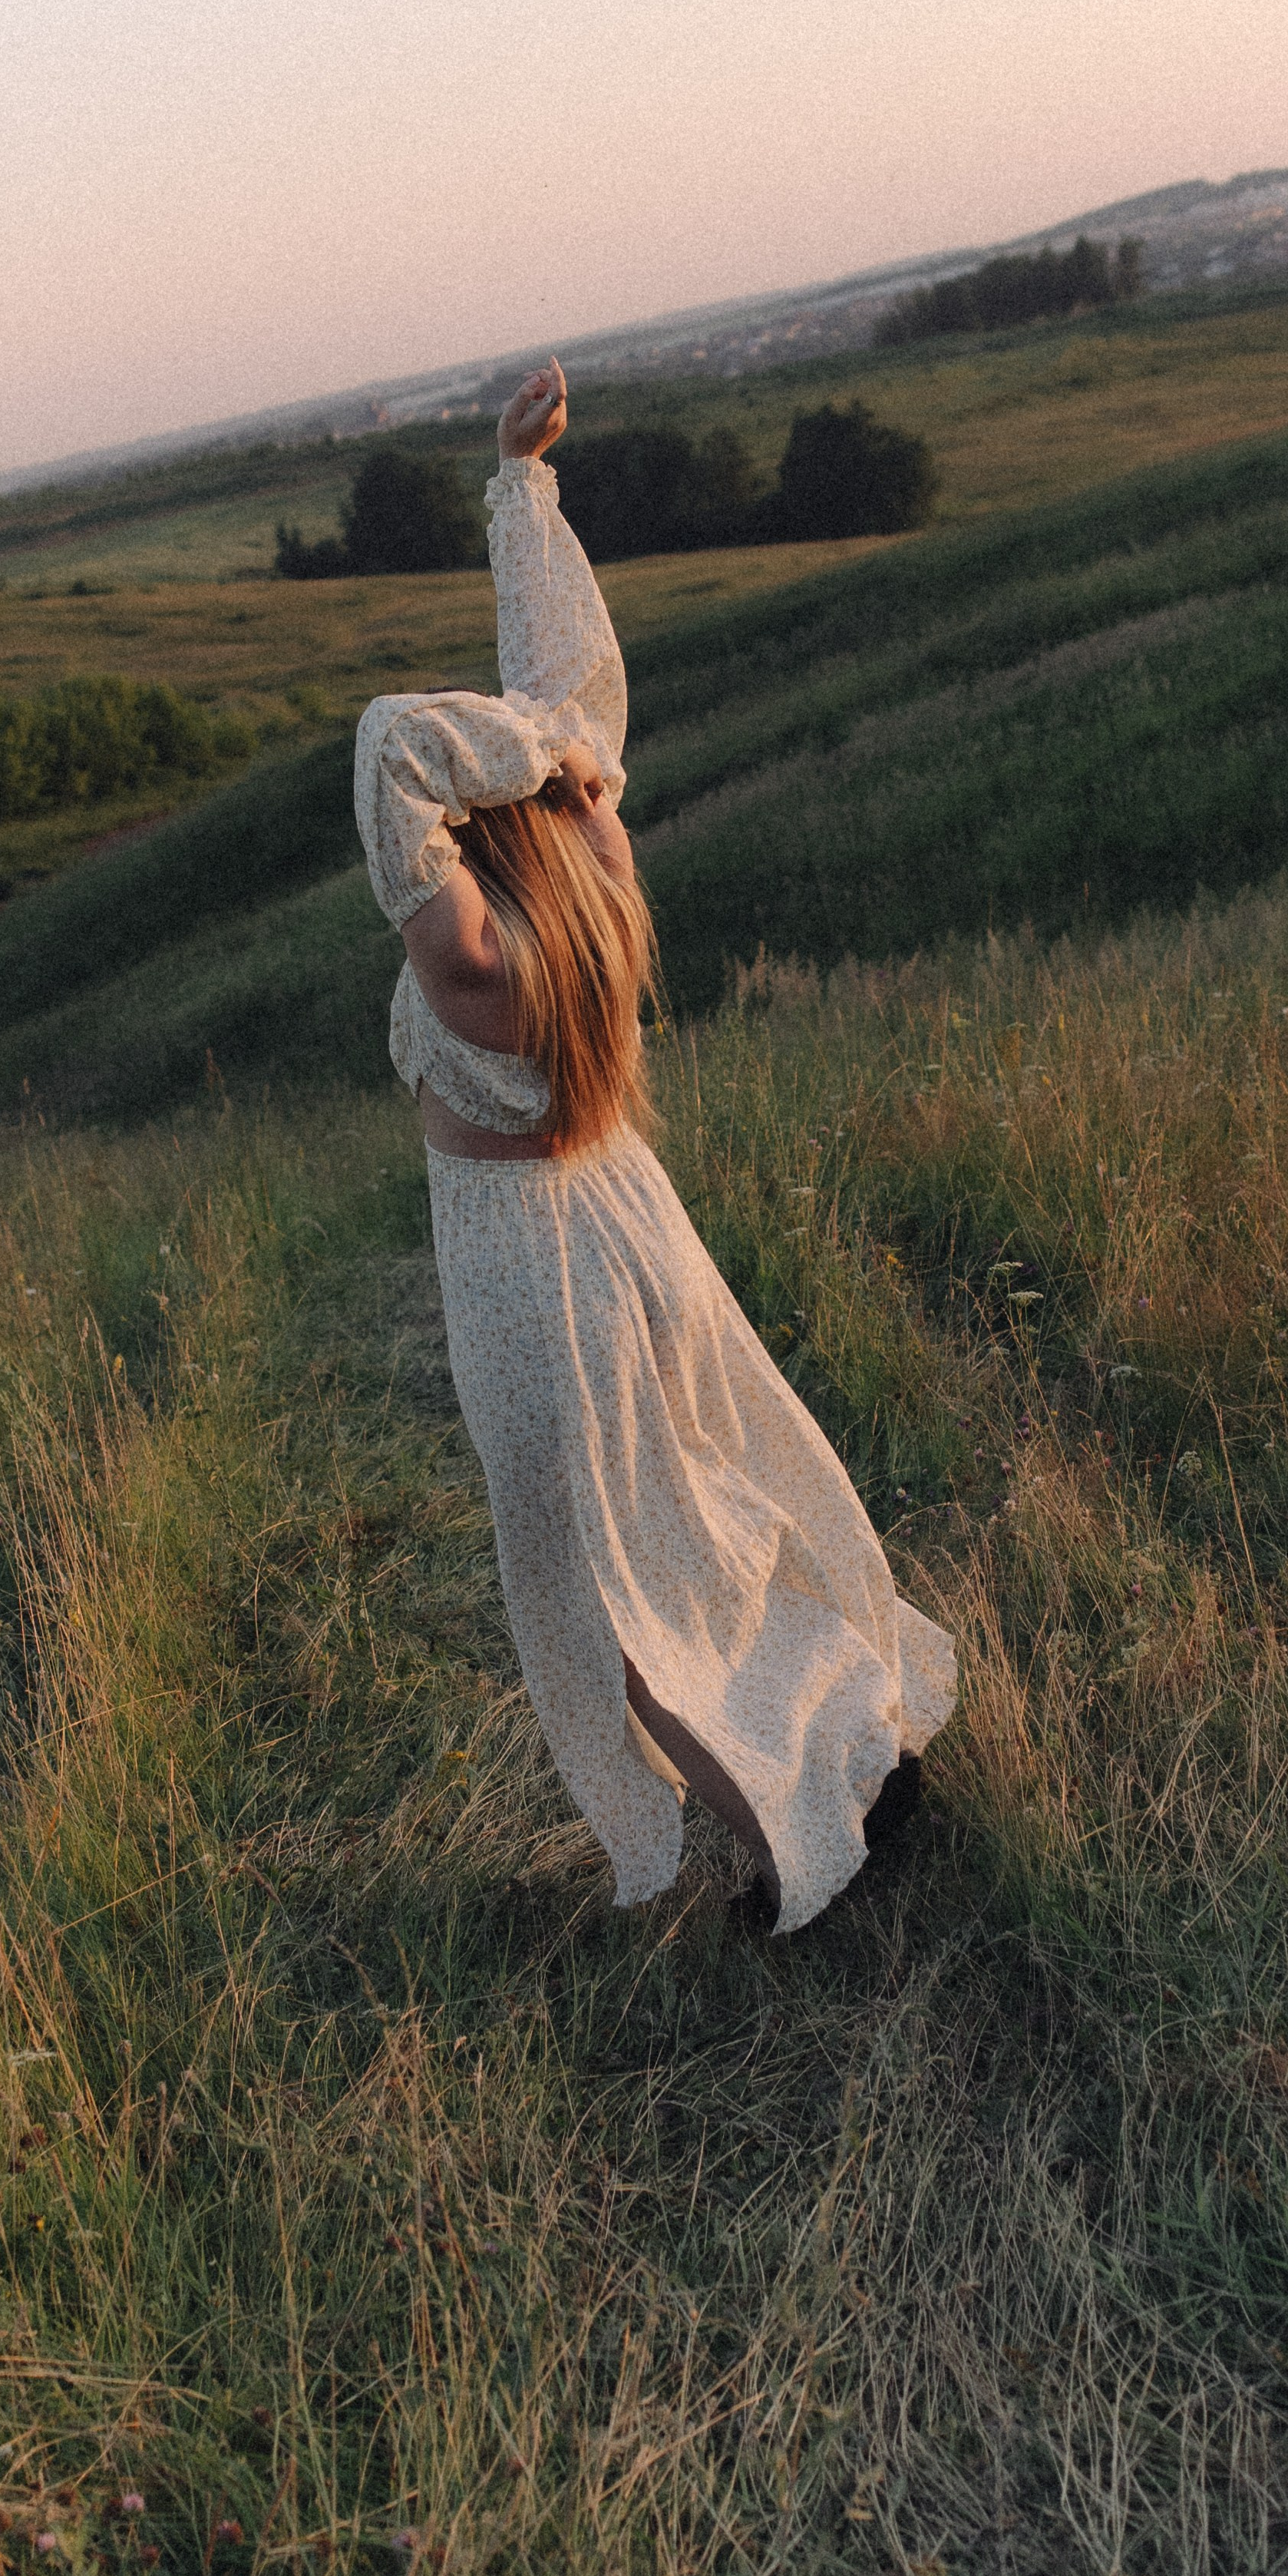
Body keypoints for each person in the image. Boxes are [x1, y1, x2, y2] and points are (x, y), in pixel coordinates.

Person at [354, 359, 955, 1931]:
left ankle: (816, 1849)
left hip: (527, 1278)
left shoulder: (469, 954)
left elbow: (389, 748)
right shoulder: (592, 873)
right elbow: (567, 696)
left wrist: (520, 723)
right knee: (701, 1527)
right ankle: (859, 1768)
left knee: (613, 1606)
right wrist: (521, 489)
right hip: (632, 1227)